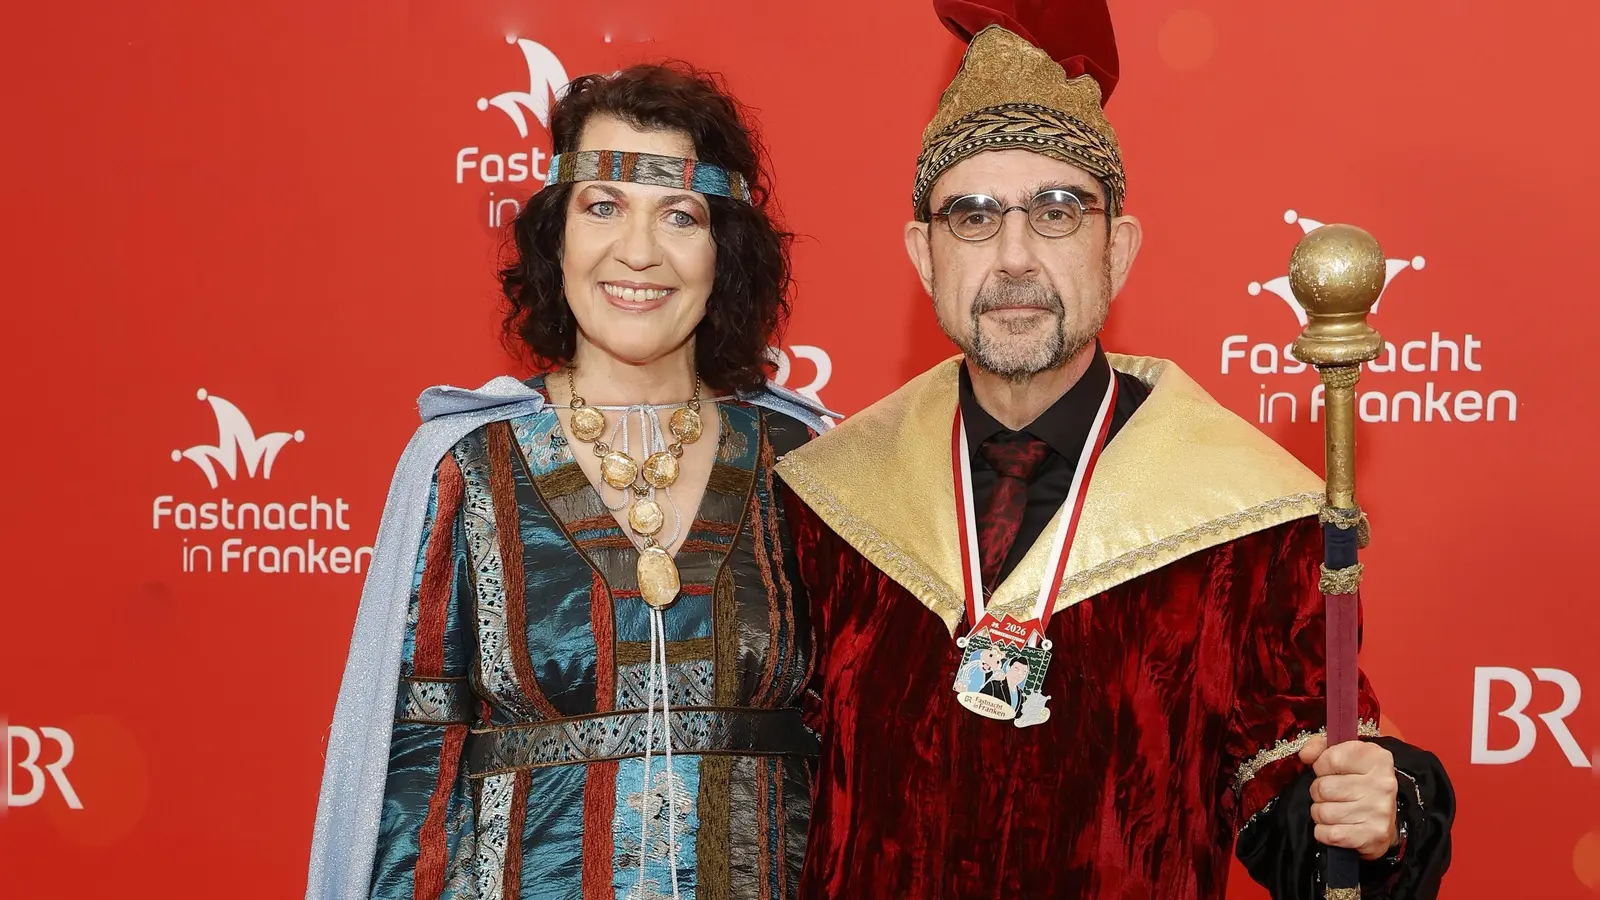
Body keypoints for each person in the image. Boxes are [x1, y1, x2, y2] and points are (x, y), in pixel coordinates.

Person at [774, 2, 1454, 897]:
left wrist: (1380, 810)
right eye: (972, 217)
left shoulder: (1244, 516)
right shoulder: (825, 499)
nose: (1014, 255)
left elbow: (1299, 806)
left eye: (1057, 211)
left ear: (1118, 248)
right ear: (922, 254)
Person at [306, 63, 834, 900]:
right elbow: (415, 772)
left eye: (680, 216)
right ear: (556, 236)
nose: (638, 251)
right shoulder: (466, 468)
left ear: (723, 250)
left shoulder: (807, 466)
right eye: (603, 207)